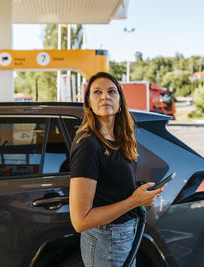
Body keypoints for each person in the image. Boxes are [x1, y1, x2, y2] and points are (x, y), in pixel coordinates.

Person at [69, 72, 165, 267]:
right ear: (89, 103)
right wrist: (134, 201)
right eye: (97, 92)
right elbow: (80, 221)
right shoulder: (88, 144)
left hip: (122, 236)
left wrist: (138, 193)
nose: (105, 96)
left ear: (120, 102)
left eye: (112, 91)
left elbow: (111, 185)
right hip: (107, 240)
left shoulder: (120, 140)